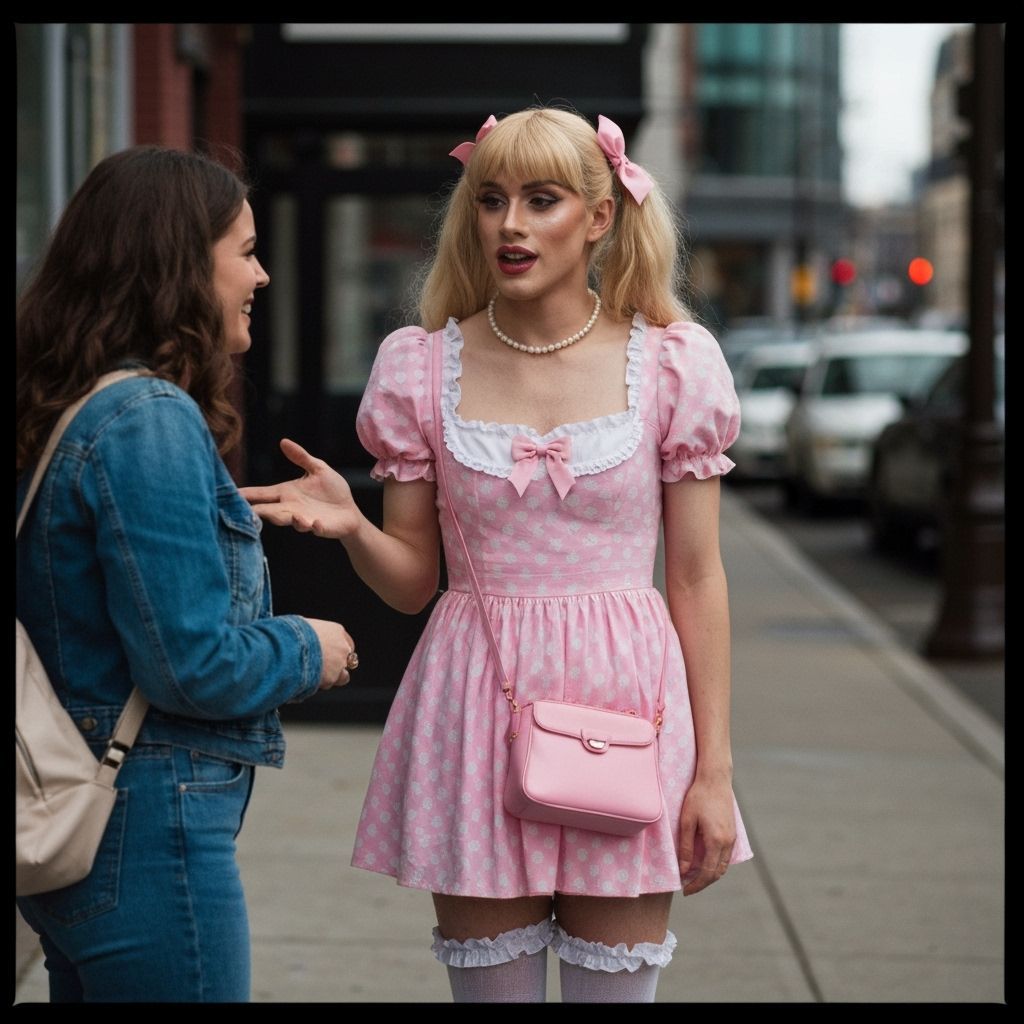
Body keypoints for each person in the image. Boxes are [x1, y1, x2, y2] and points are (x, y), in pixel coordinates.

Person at [242, 106, 752, 1003]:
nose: (510, 225)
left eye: (541, 200)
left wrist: (714, 773)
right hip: (474, 708)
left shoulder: (674, 363)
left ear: (598, 217)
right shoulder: (418, 366)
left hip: (630, 709)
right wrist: (356, 526)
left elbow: (697, 575)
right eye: (492, 200)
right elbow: (412, 585)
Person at [15, 145, 359, 1003]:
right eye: (244, 250)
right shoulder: (147, 418)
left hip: (86, 820)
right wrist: (309, 646)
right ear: (179, 262)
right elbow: (192, 664)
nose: (263, 274)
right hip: (145, 819)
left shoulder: (71, 406)